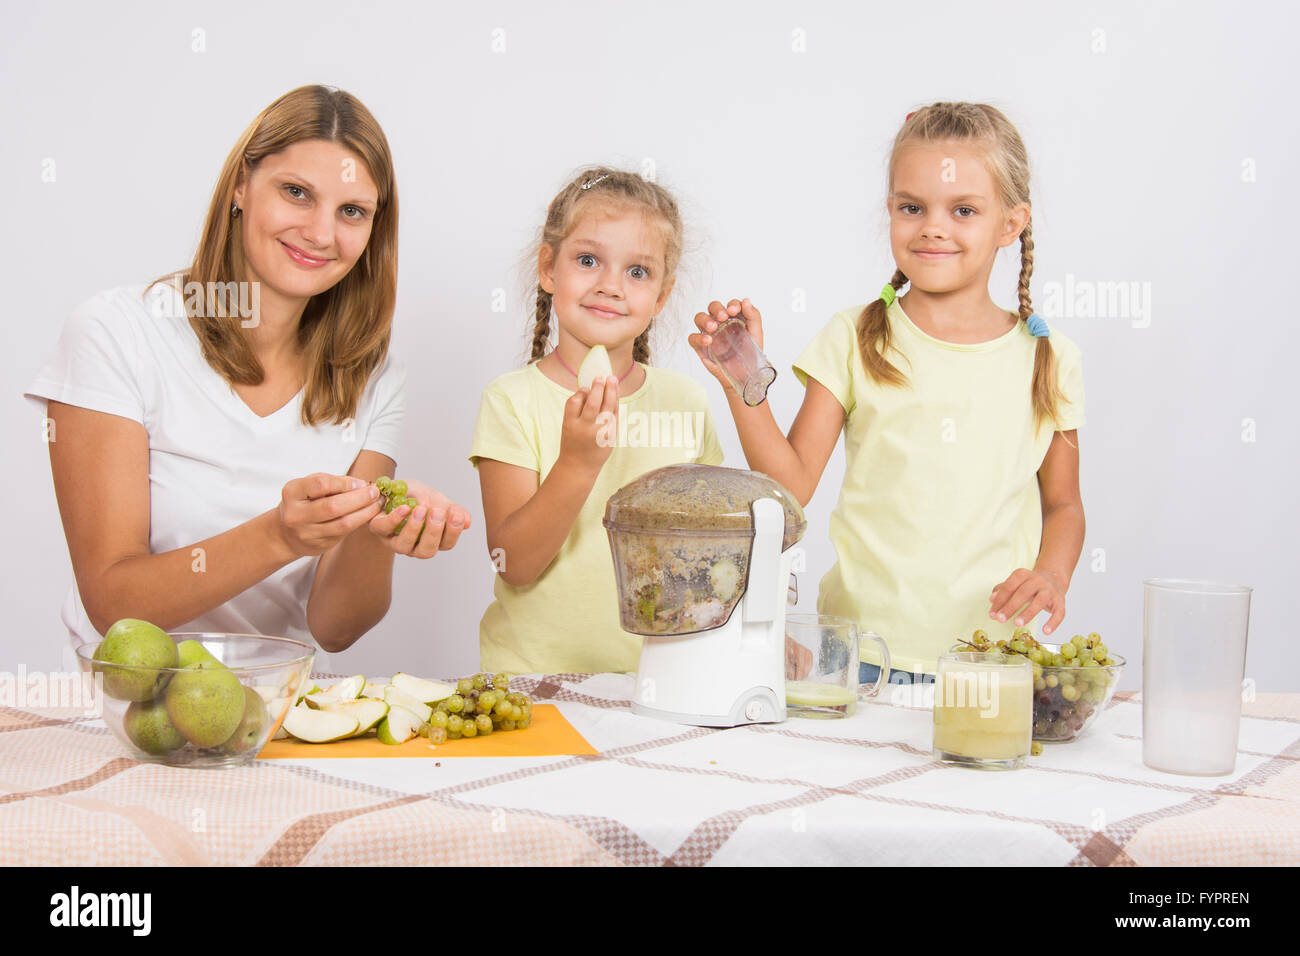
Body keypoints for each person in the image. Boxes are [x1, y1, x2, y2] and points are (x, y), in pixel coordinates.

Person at [24, 85, 470, 656]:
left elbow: (334, 629)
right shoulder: (116, 332)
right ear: (241, 184)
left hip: (276, 712)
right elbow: (113, 605)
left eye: (352, 211)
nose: (322, 234)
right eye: (296, 193)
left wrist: (378, 533)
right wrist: (278, 535)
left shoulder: (373, 373)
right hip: (128, 707)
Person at [690, 102, 1085, 684]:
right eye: (912, 207)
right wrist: (742, 385)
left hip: (993, 665)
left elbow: (1064, 505)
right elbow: (792, 485)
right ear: (890, 211)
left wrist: (1052, 575)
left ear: (1011, 223)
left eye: (964, 209)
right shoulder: (853, 337)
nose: (933, 226)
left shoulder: (1048, 359)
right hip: (860, 659)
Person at [470, 167, 724, 674]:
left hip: (657, 682)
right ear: (549, 268)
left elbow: (712, 557)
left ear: (662, 295)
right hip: (532, 682)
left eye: (637, 272)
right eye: (588, 261)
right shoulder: (511, 400)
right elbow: (514, 564)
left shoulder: (686, 402)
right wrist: (578, 464)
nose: (610, 286)